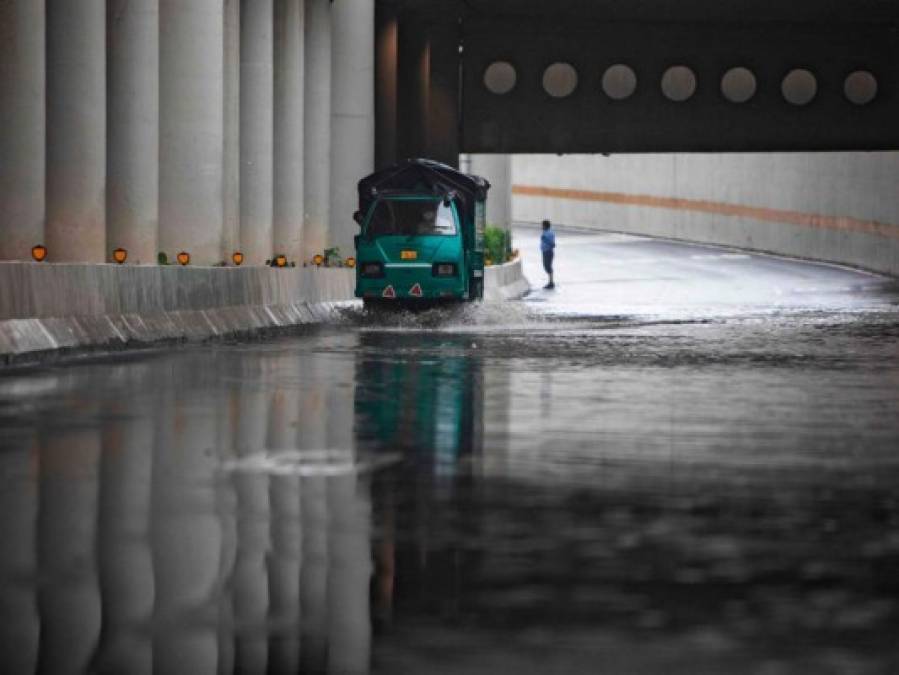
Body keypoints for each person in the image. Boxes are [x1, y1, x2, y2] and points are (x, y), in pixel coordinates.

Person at [540, 219, 556, 289]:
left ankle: (551, 282)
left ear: (545, 226)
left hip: (548, 251)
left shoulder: (549, 233)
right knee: (546, 266)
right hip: (545, 251)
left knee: (548, 266)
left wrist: (544, 239)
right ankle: (550, 281)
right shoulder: (545, 232)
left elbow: (552, 244)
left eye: (542, 225)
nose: (541, 226)